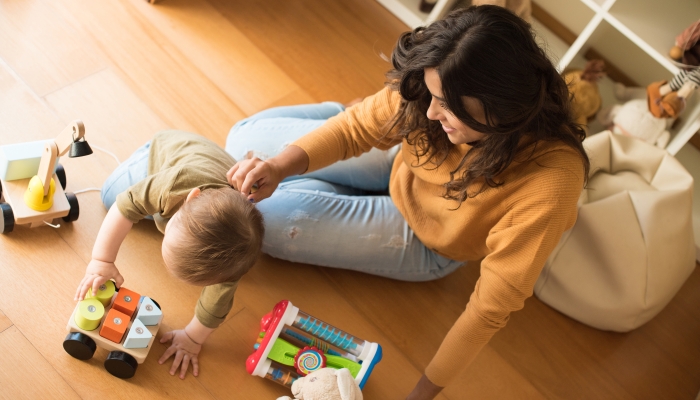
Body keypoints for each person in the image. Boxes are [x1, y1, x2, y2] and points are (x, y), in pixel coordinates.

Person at [227, 5, 589, 399]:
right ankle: (337, 141)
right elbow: (357, 128)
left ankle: (327, 184)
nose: (433, 112)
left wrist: (419, 395)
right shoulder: (434, 90)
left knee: (267, 223)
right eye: (431, 97)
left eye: (447, 105)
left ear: (501, 108)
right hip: (401, 166)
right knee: (246, 141)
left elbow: (488, 310)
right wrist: (279, 167)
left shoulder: (551, 182)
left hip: (428, 237)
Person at [74, 130, 265, 379]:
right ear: (191, 198)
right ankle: (144, 155)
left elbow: (215, 306)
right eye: (168, 233)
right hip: (169, 150)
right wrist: (102, 261)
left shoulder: (233, 262)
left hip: (217, 164)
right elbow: (126, 205)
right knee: (110, 196)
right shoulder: (174, 184)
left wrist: (192, 339)